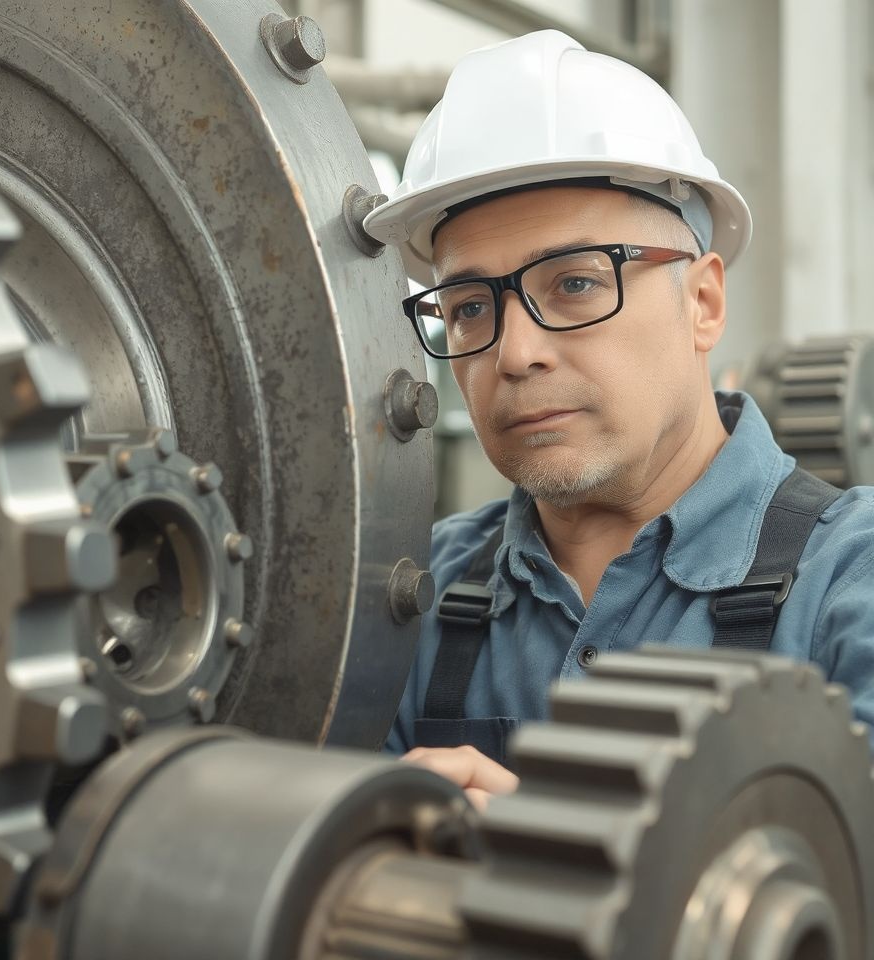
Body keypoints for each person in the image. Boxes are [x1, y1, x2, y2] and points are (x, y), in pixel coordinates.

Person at [363, 30, 874, 810]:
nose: (516, 353)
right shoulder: (412, 596)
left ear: (702, 303)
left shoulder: (850, 581)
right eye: (470, 307)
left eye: (574, 282)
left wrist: (542, 858)